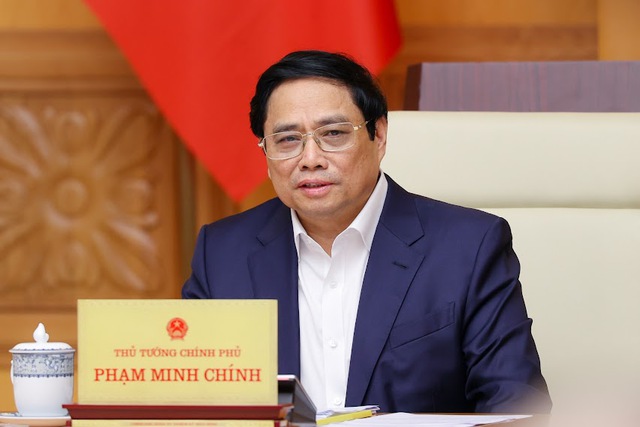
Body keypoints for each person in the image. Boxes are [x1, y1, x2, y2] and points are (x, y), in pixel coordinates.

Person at [182, 50, 552, 414]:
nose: (310, 159)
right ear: (265, 152)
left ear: (380, 136)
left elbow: (517, 406)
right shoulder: (222, 253)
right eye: (288, 139)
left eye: (333, 133)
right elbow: (192, 403)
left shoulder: (468, 247)